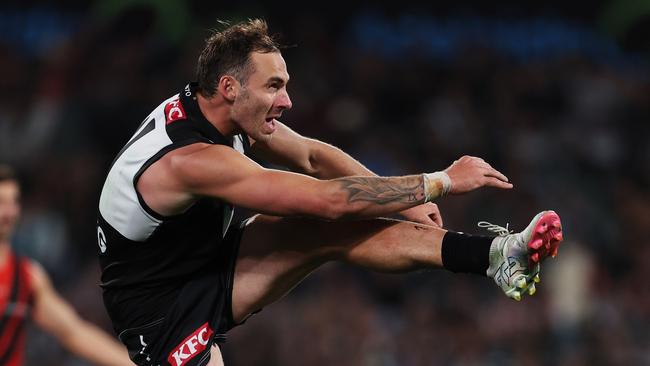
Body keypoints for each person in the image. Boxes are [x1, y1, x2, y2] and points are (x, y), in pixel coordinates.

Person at [96, 19, 564, 366]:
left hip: (206, 259)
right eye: (274, 86)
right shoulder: (192, 161)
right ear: (229, 86)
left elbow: (315, 158)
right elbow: (329, 198)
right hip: (159, 317)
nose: (287, 101)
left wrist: (414, 202)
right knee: (328, 215)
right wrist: (439, 182)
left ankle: (498, 255)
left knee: (328, 231)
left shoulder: (218, 108)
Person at [0, 165, 133, 366]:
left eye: (14, 201)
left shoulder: (27, 276)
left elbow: (73, 332)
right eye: (1, 202)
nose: (10, 211)